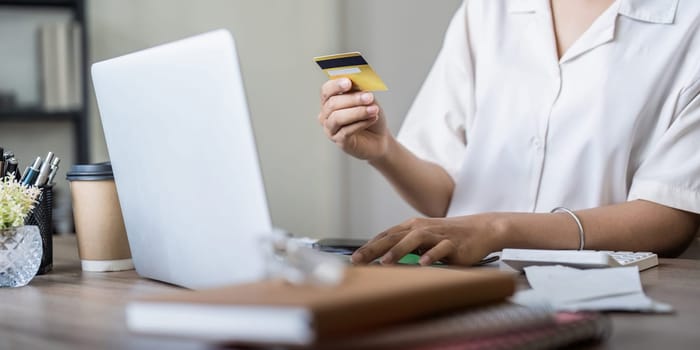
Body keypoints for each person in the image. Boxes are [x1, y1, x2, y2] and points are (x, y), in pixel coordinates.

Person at [317, 0, 700, 266]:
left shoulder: (689, 24)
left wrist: (498, 229)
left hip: (607, 295)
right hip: (468, 285)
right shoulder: (487, 9)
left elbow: (670, 217)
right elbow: (446, 195)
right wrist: (384, 150)